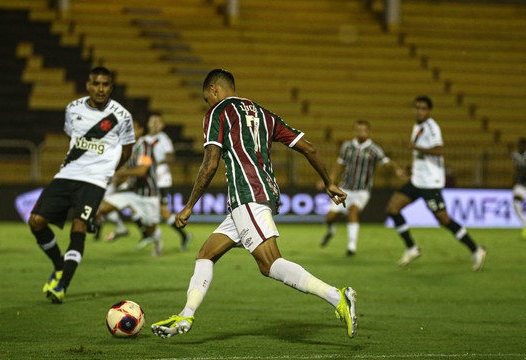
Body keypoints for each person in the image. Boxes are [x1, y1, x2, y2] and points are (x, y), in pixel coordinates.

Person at [151, 69, 357, 339]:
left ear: (213, 90)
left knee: (269, 264)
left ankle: (337, 296)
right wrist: (328, 181)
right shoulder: (265, 114)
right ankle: (186, 315)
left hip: (248, 195)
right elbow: (309, 148)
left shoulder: (218, 112)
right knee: (206, 254)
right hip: (261, 194)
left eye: (207, 98)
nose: (208, 104)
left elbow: (210, 162)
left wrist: (189, 205)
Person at [29, 66, 135, 304]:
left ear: (111, 87)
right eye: (96, 83)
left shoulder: (122, 115)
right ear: (88, 85)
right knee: (35, 221)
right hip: (67, 174)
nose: (100, 89)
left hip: (95, 181)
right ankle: (59, 265)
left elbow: (127, 150)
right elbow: (74, 139)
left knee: (78, 227)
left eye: (105, 84)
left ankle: (62, 285)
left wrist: (110, 171)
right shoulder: (72, 109)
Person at [386, 95, 487, 271]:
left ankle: (476, 249)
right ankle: (411, 248)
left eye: (423, 108)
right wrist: (410, 168)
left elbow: (439, 150)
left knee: (444, 220)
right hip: (418, 180)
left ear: (429, 111)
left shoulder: (432, 127)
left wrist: (414, 148)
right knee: (393, 209)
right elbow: (422, 156)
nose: (419, 111)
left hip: (430, 183)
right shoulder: (417, 126)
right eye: (416, 107)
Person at [321, 119, 405, 256]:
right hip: (345, 188)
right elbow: (339, 164)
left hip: (362, 190)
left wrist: (397, 170)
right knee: (330, 217)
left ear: (368, 131)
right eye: (358, 130)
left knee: (353, 211)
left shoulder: (374, 149)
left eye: (363, 130)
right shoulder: (347, 146)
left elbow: (386, 162)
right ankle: (331, 231)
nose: (360, 133)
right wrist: (330, 180)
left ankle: (351, 247)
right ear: (355, 131)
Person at [97, 121, 164, 257]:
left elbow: (142, 171)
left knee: (150, 226)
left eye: (132, 128)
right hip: (131, 192)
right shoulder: (129, 148)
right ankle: (117, 227)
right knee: (101, 208)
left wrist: (119, 173)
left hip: (148, 195)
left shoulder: (145, 146)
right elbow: (127, 170)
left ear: (140, 130)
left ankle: (157, 240)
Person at [146, 112, 192, 251]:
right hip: (148, 179)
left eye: (157, 122)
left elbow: (171, 157)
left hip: (161, 179)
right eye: (152, 121)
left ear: (162, 125)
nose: (154, 124)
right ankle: (149, 236)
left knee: (163, 212)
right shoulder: (145, 139)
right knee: (148, 210)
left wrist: (154, 162)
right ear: (148, 123)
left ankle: (183, 235)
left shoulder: (163, 139)